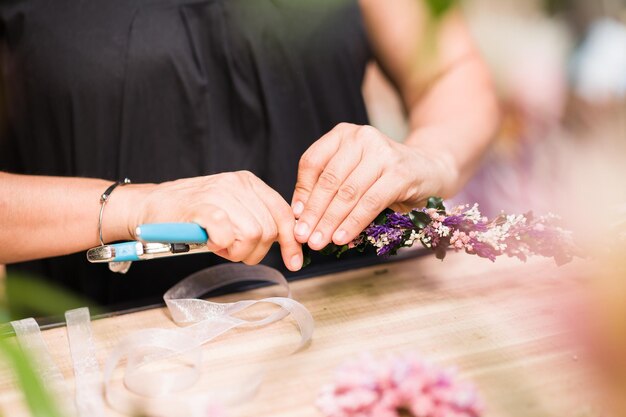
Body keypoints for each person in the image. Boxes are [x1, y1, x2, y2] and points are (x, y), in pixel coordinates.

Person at [0, 0, 498, 306]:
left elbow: (448, 71)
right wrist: (139, 207)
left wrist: (430, 158)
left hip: (357, 316)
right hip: (102, 358)